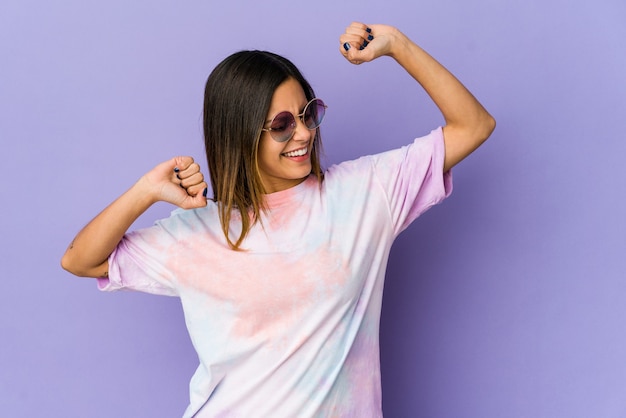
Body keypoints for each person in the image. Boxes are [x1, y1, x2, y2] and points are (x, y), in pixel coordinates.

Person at [61, 21, 495, 417]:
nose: (303, 133)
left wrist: (398, 44)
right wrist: (145, 191)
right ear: (239, 134)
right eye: (282, 124)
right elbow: (81, 260)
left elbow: (473, 126)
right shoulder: (196, 232)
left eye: (309, 114)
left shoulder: (365, 194)